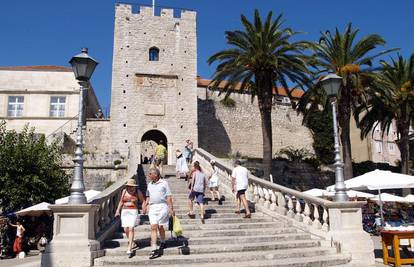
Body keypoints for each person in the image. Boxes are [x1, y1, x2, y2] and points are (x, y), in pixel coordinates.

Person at [143, 168, 175, 259]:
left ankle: (163, 241)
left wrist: (171, 208)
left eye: (150, 174)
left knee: (160, 226)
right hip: (152, 207)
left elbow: (168, 196)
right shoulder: (149, 184)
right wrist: (145, 205)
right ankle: (154, 249)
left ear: (156, 174)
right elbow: (148, 196)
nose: (148, 175)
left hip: (162, 206)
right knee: (153, 227)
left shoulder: (164, 183)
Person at [115, 178, 145, 256]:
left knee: (131, 228)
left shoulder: (137, 192)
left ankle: (129, 247)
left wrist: (144, 208)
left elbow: (143, 201)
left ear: (134, 186)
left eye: (131, 186)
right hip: (124, 211)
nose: (130, 187)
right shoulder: (124, 191)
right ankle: (132, 242)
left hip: (133, 211)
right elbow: (121, 201)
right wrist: (118, 210)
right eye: (128, 186)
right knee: (125, 229)